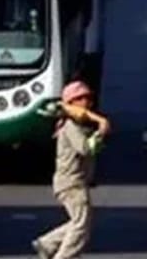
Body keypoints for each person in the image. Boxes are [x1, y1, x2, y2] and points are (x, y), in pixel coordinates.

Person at [32, 81, 110, 259]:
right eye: (80, 99)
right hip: (71, 183)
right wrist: (100, 132)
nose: (86, 102)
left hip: (74, 181)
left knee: (80, 221)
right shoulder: (70, 126)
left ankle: (48, 243)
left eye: (88, 98)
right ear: (71, 103)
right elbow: (85, 149)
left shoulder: (77, 125)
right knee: (81, 224)